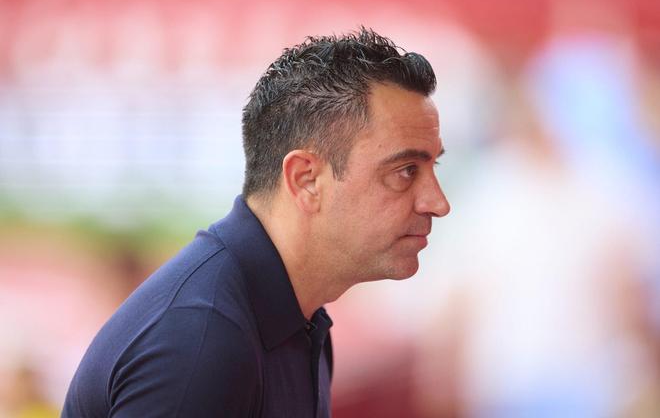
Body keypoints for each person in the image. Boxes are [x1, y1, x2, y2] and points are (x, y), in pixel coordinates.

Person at [62, 27, 450, 417]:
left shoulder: (295, 320)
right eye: (405, 171)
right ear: (306, 180)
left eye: (433, 166)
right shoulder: (203, 341)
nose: (438, 203)